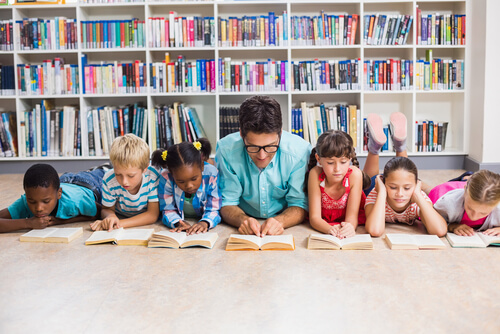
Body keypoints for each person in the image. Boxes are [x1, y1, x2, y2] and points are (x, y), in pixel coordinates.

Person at [216, 95, 311, 236]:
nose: (262, 156)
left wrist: (281, 221)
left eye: (271, 146)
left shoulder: (300, 152)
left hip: (286, 224)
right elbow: (227, 201)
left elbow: (300, 203)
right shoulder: (226, 150)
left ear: (280, 133)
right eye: (253, 147)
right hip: (243, 218)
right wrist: (242, 220)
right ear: (241, 134)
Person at [363, 112, 447, 237]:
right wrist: (381, 193)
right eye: (393, 187)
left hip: (403, 181)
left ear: (416, 185)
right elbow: (375, 231)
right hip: (378, 185)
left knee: (403, 173)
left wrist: (418, 195)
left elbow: (440, 231)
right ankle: (384, 147)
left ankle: (392, 146)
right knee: (367, 184)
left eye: (407, 188)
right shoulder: (376, 195)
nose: (400, 194)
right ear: (384, 184)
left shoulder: (417, 197)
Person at [0, 163, 100, 233]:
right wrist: (28, 223)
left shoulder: (76, 200)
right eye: (32, 201)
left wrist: (60, 221)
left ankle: (101, 168)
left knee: (101, 173)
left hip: (88, 183)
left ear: (59, 194)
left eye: (46, 201)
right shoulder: (28, 200)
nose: (39, 208)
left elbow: (99, 213)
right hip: (64, 181)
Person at [90, 134, 160, 231]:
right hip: (120, 214)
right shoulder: (109, 179)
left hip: (125, 220)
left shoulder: (153, 176)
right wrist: (110, 217)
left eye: (131, 176)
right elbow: (107, 209)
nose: (124, 182)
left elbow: (152, 215)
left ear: (145, 168)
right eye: (118, 174)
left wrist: (118, 223)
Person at [152, 138, 221, 235]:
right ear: (171, 173)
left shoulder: (211, 174)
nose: (189, 186)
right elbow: (167, 209)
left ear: (202, 166)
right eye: (180, 181)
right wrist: (178, 222)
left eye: (194, 179)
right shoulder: (166, 177)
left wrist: (205, 222)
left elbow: (214, 208)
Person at [306, 130, 368, 238]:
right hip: (325, 223)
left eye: (343, 162)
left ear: (350, 158)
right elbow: (314, 218)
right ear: (318, 159)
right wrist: (330, 229)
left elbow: (352, 219)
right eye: (330, 163)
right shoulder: (315, 174)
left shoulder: (355, 175)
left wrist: (349, 228)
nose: (337, 169)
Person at [429, 170, 500, 236]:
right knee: (429, 192)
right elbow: (432, 221)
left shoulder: (498, 208)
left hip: (468, 188)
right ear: (465, 191)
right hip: (446, 189)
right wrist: (451, 226)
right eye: (470, 208)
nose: (474, 217)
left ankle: (466, 177)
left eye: (483, 213)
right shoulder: (447, 203)